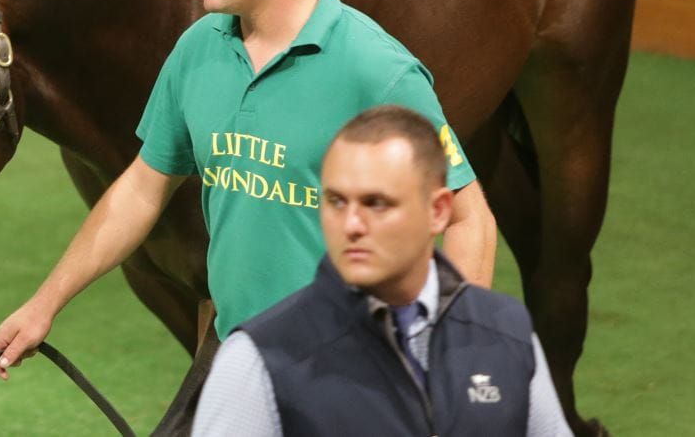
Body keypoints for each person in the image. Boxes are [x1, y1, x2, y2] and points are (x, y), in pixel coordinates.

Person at [0, 0, 496, 378]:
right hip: (240, 358)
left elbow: (469, 219)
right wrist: (44, 304)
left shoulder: (377, 73)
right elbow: (142, 187)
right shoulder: (199, 48)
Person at [192, 105, 571, 436]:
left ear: (438, 211)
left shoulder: (508, 335)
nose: (351, 224)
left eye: (376, 203)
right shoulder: (258, 360)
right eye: (337, 201)